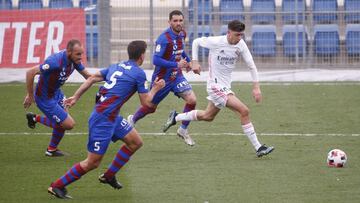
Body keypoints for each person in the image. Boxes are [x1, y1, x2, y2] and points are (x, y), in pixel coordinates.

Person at [47, 40, 165, 199]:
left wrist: (76, 96)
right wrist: (156, 88)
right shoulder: (139, 73)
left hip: (112, 116)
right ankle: (57, 186)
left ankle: (109, 176)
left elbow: (91, 78)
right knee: (92, 163)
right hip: (102, 120)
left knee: (135, 142)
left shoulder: (117, 66)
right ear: (142, 55)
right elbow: (146, 102)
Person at [163, 20, 274, 157]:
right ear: (229, 33)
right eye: (237, 35)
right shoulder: (216, 42)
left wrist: (256, 88)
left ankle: (176, 117)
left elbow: (251, 66)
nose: (240, 38)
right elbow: (196, 42)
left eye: (241, 35)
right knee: (244, 110)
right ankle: (259, 147)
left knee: (208, 116)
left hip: (225, 86)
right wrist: (195, 61)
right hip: (215, 86)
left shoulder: (241, 45)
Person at [127, 10, 197, 146]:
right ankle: (132, 119)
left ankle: (182, 130)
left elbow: (181, 51)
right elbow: (156, 60)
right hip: (162, 79)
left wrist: (189, 62)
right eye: (175, 21)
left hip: (177, 76)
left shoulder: (182, 34)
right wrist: (176, 64)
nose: (178, 23)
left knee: (192, 100)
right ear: (169, 22)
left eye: (180, 20)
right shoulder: (163, 39)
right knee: (150, 107)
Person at [23, 39, 92, 157]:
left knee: (63, 121)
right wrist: (30, 95)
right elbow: (30, 72)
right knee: (68, 124)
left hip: (56, 93)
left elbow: (89, 76)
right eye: (78, 54)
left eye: (82, 54)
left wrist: (108, 79)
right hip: (44, 98)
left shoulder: (74, 60)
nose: (81, 57)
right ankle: (36, 119)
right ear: (69, 52)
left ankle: (51, 150)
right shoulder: (54, 62)